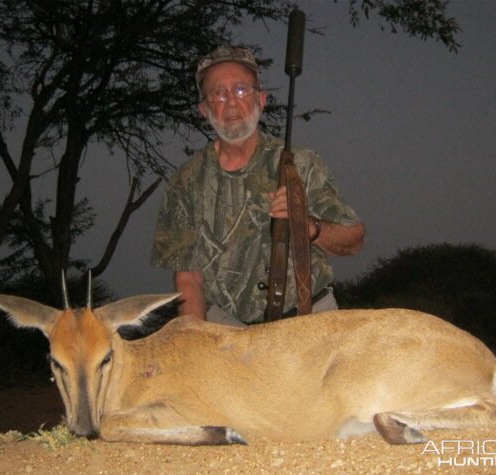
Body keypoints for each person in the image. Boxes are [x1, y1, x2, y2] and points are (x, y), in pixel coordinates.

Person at [151, 45, 364, 325]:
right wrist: (198, 342)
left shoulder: (301, 162)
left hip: (310, 318)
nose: (230, 102)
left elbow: (354, 239)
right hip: (229, 329)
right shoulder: (185, 182)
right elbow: (188, 278)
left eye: (241, 90)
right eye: (218, 93)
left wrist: (308, 227)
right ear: (203, 109)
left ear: (261, 100)